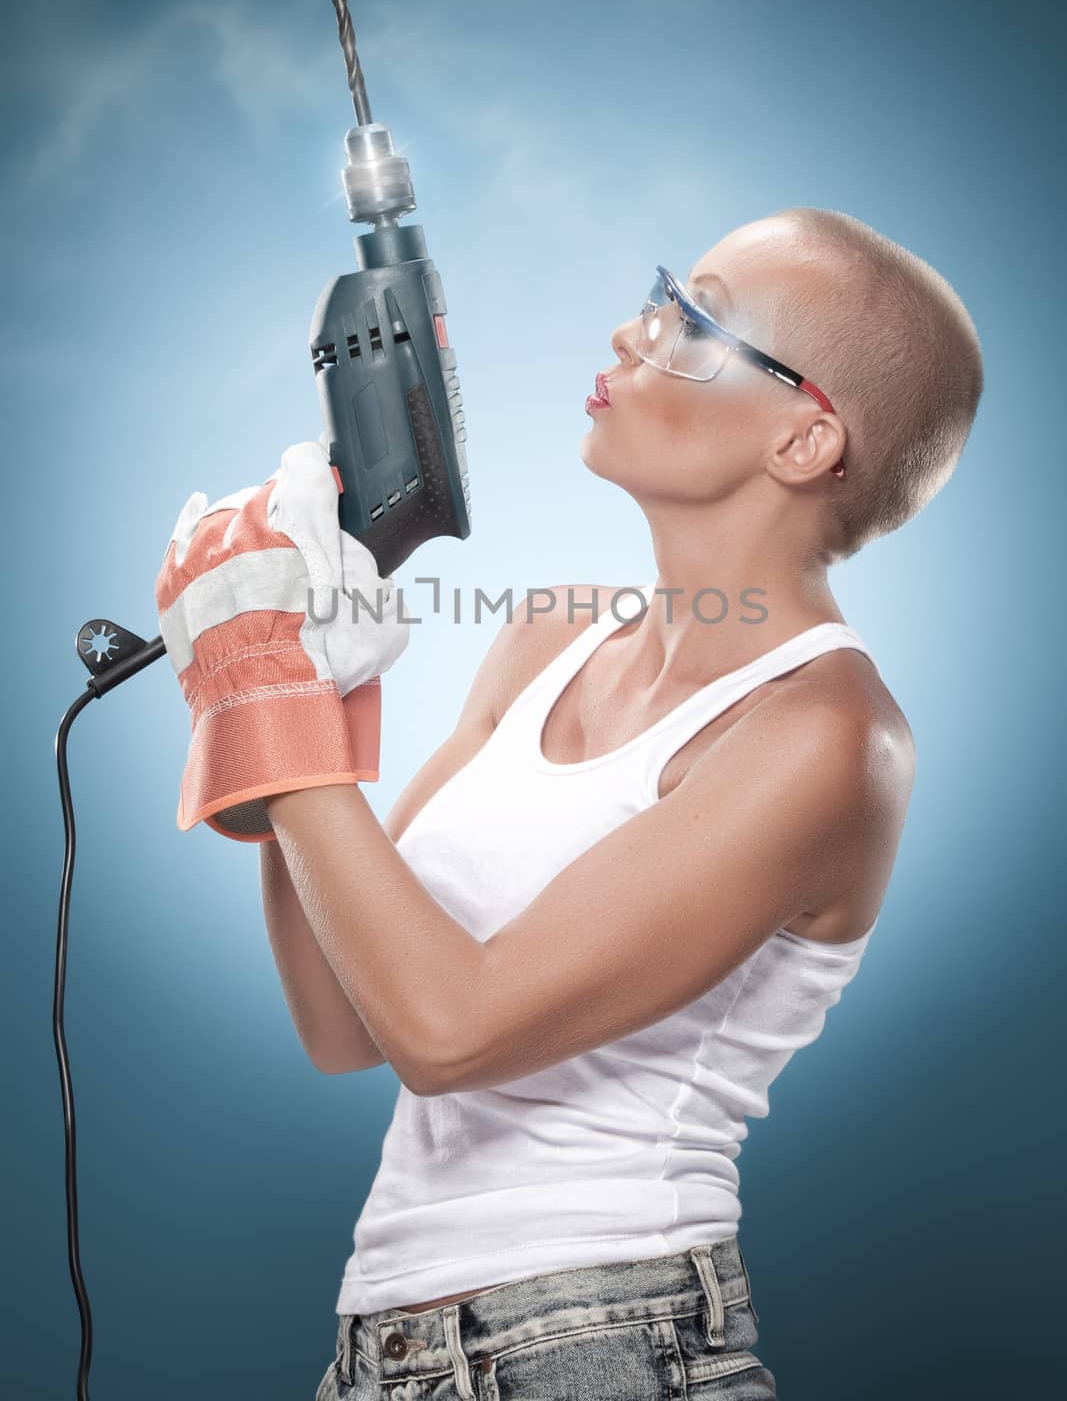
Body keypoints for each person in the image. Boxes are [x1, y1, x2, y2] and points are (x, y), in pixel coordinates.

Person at [156, 206, 984, 1399]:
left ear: (804, 443)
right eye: (659, 294)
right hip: (384, 1352)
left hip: (606, 1343)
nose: (630, 331)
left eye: (692, 321)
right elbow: (348, 1024)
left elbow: (452, 1032)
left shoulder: (825, 737)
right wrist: (289, 689)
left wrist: (271, 695)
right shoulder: (546, 635)